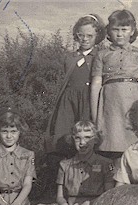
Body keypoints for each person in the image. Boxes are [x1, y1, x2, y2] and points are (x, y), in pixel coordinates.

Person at [90, 9, 138, 160]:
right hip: (111, 103)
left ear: (132, 31)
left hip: (134, 99)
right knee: (111, 141)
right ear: (109, 31)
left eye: (124, 30)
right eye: (115, 30)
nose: (120, 34)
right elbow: (95, 85)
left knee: (135, 143)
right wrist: (94, 117)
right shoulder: (102, 54)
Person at [45, 14, 106, 159]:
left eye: (89, 36)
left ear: (97, 36)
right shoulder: (70, 57)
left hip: (88, 100)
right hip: (69, 101)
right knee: (65, 135)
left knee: (87, 134)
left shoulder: (100, 56)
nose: (85, 39)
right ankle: (66, 169)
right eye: (81, 35)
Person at [34, 121, 114, 205]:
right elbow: (60, 196)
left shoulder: (105, 163)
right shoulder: (65, 164)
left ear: (95, 140)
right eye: (78, 138)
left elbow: (108, 194)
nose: (82, 142)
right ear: (72, 139)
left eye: (87, 138)